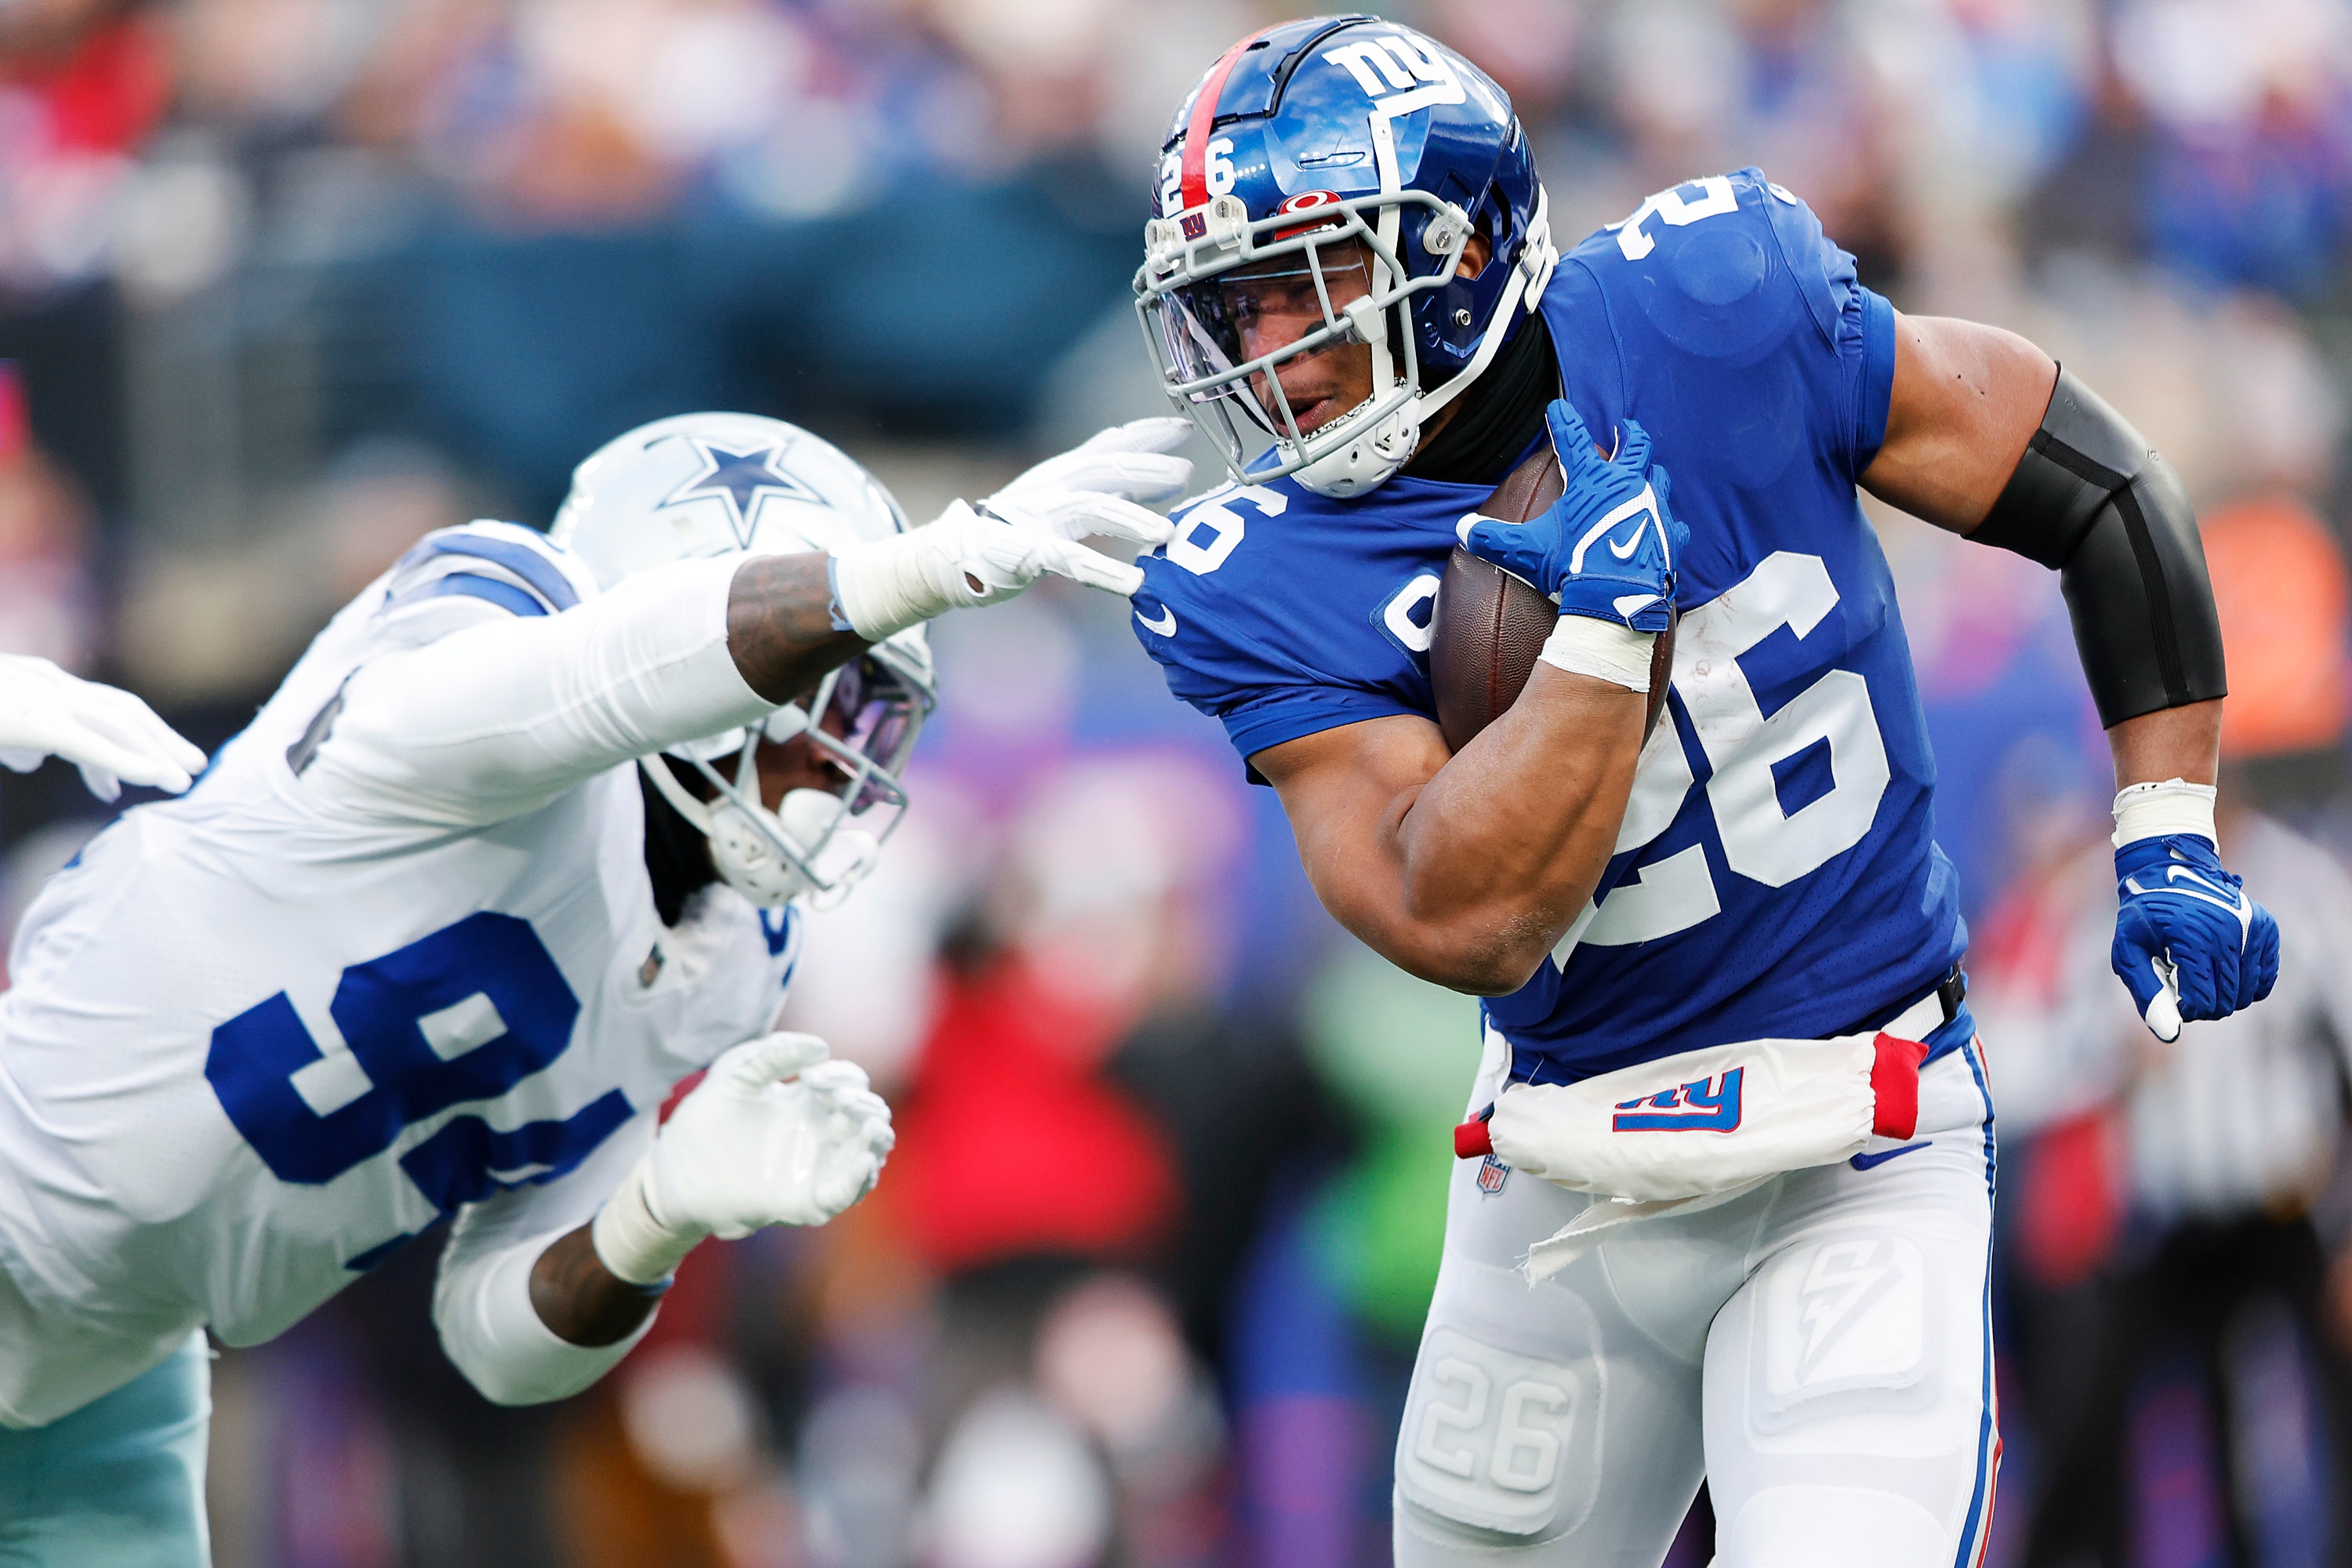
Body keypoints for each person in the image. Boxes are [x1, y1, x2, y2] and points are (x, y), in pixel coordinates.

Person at [1125, 16, 2277, 1566]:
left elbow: (2096, 481)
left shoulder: (1710, 306)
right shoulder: (1260, 572)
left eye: (1305, 288)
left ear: (1455, 249)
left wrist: (2165, 823)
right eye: (1234, 306)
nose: (1267, 354)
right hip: (1560, 1184)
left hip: (1857, 1141)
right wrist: (1603, 641)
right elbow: (1454, 911)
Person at [0, 410, 1189, 1563]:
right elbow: (576, 684)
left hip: (122, 1364)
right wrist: (908, 573)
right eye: (822, 698)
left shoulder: (731, 956)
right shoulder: (483, 619)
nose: (839, 763)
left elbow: (494, 1341)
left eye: (870, 714)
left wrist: (653, 1215)